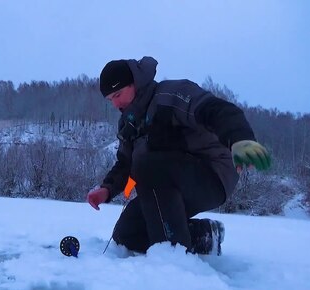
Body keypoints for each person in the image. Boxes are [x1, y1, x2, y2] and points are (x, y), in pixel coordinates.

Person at [87, 56, 271, 255]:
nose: (115, 104)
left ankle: (172, 258)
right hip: (162, 186)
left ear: (135, 83)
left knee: (148, 165)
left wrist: (239, 139)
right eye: (110, 99)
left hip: (212, 174)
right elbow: (125, 164)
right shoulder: (128, 125)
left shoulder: (170, 95)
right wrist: (106, 189)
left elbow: (216, 110)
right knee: (126, 232)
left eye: (118, 94)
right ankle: (203, 235)